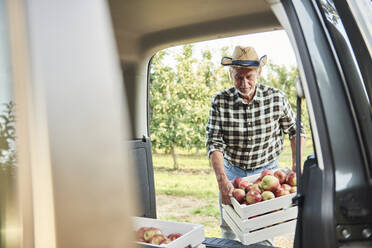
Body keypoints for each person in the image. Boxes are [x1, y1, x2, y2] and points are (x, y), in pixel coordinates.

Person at [206, 46, 306, 243]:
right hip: (232, 173)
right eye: (238, 77)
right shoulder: (220, 101)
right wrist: (222, 181)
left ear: (259, 73)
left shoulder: (276, 98)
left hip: (267, 173)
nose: (244, 83)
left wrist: (296, 165)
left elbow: (296, 130)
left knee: (262, 231)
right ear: (230, 74)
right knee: (230, 228)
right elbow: (214, 142)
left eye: (249, 76)